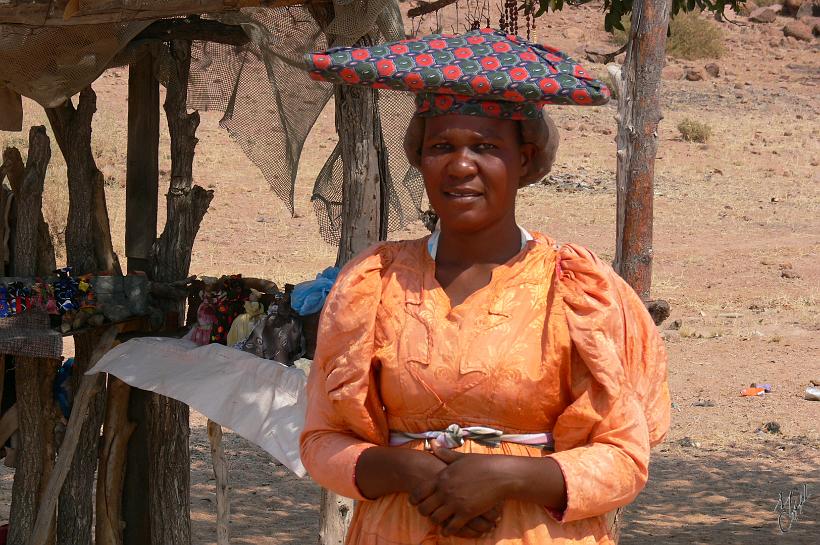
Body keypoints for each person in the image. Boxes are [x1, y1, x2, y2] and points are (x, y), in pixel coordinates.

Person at [300, 28, 670, 544]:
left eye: (485, 146)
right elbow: (321, 441)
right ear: (419, 159)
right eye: (441, 146)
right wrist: (410, 472)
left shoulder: (578, 290)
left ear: (525, 159)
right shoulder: (374, 283)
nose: (460, 165)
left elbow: (627, 458)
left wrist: (508, 478)